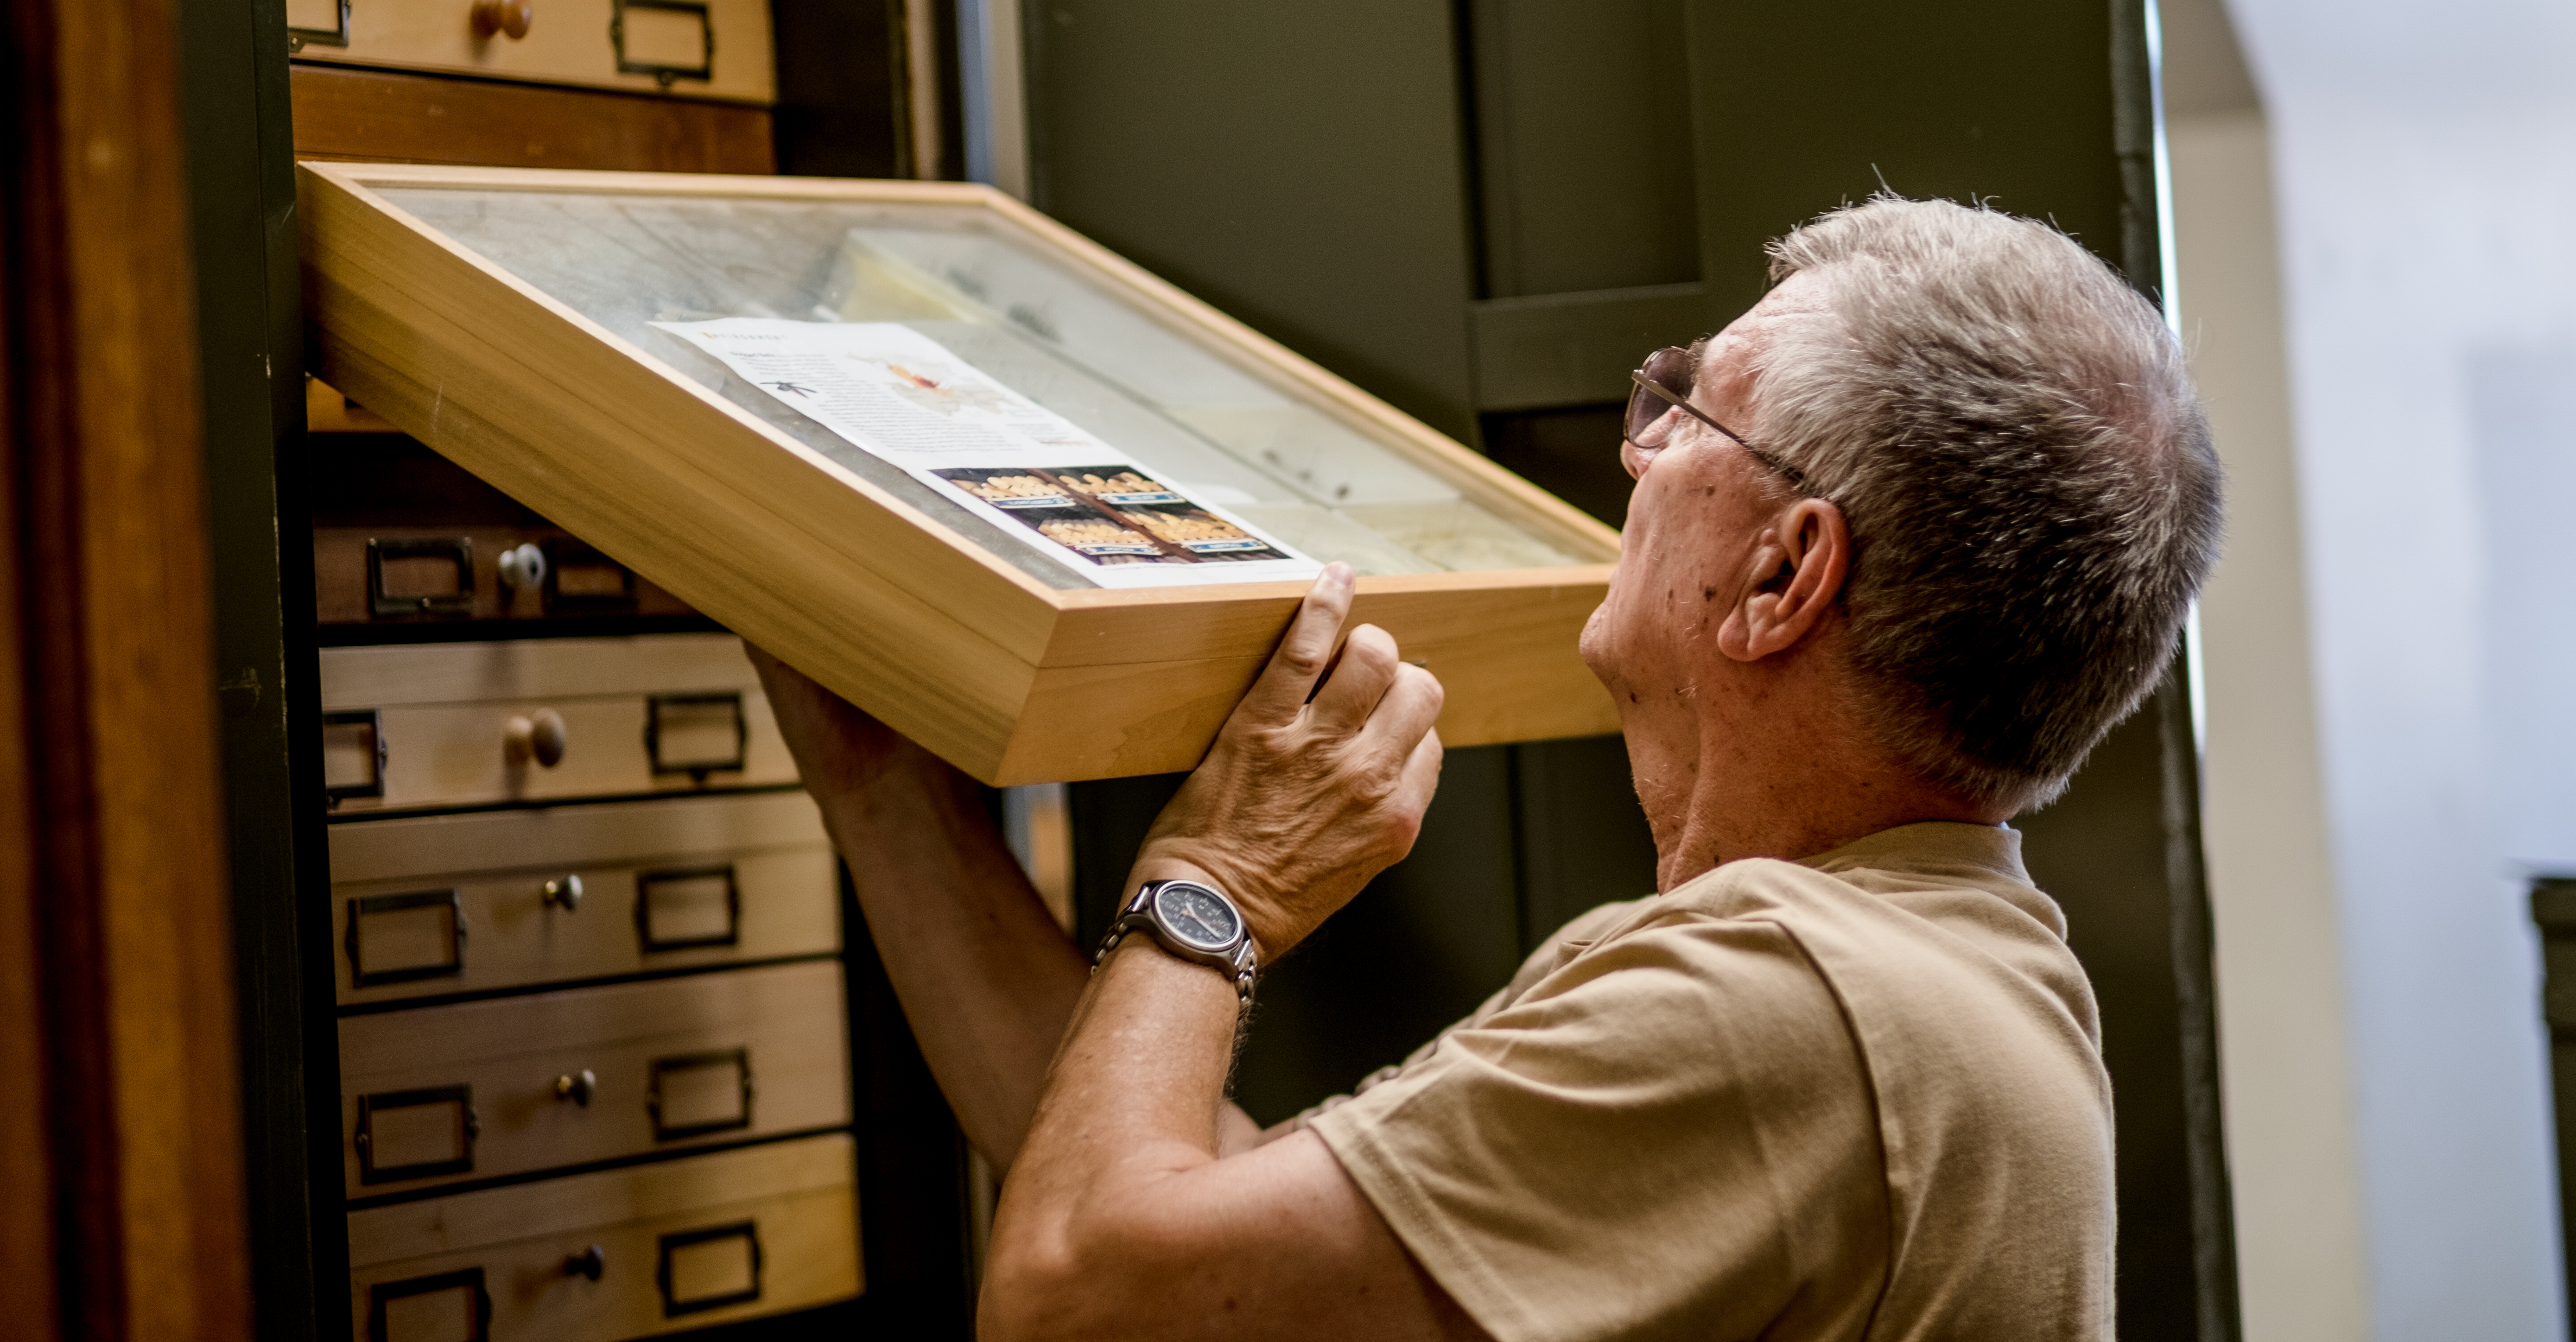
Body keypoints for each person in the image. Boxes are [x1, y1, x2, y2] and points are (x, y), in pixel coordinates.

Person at [755, 196, 2223, 1342]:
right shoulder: (1946, 969)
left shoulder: (1780, 1008)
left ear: (1786, 573)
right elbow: (1215, 1269)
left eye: (1689, 408)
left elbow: (1081, 1301)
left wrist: (1222, 878)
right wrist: (886, 790)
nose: (1638, 455)